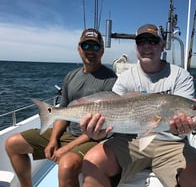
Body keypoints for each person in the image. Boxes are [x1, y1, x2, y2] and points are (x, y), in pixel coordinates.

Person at [80, 24, 196, 187]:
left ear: (162, 46)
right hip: (129, 141)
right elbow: (111, 114)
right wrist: (98, 134)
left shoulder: (180, 76)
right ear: (136, 47)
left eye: (153, 41)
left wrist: (183, 127)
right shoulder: (125, 78)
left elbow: (182, 114)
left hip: (172, 144)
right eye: (141, 41)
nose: (147, 46)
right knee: (91, 163)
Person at [5, 28, 117, 187]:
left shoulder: (111, 79)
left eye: (95, 46)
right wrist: (52, 140)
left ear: (102, 50)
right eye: (86, 46)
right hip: (67, 132)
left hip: (93, 137)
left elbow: (105, 124)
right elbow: (62, 111)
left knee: (66, 166)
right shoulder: (71, 76)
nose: (90, 50)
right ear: (79, 49)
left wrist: (67, 148)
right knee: (12, 143)